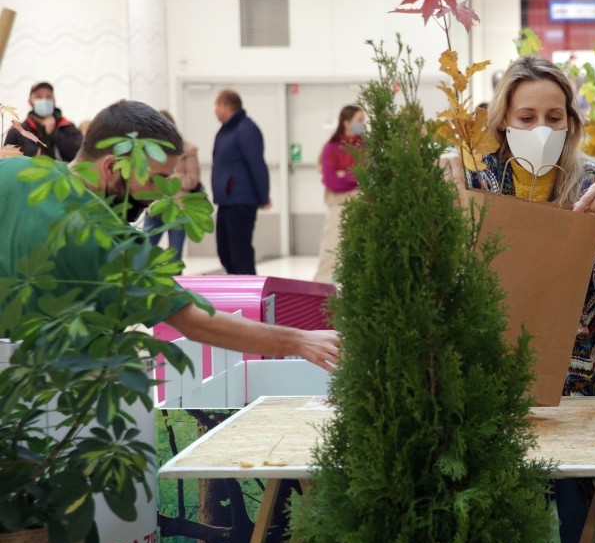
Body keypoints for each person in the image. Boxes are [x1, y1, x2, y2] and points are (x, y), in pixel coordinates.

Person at [444, 55, 595, 543]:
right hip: (498, 395)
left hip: (590, 389)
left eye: (554, 118)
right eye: (526, 117)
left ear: (570, 123)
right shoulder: (473, 183)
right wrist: (442, 214)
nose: (541, 128)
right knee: (505, 537)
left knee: (593, 539)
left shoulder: (593, 182)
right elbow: (446, 284)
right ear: (503, 121)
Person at [0, 99, 339, 372]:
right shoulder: (109, 240)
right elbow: (194, 321)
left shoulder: (13, 171)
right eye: (156, 179)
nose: (161, 195)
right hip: (56, 394)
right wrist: (300, 341)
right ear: (112, 167)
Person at [211, 89, 269, 275]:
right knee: (225, 251)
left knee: (240, 253)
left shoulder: (246, 129)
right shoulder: (226, 130)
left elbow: (257, 164)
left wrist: (263, 196)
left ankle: (250, 292)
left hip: (241, 200)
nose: (215, 111)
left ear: (225, 106)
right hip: (226, 201)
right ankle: (236, 288)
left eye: (216, 106)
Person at [313, 104, 366, 284]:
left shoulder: (364, 146)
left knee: (363, 250)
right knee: (332, 249)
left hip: (363, 204)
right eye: (359, 120)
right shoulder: (332, 147)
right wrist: (355, 175)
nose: (363, 124)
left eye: (364, 120)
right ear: (346, 122)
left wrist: (345, 174)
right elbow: (332, 181)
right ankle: (321, 290)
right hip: (339, 205)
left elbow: (369, 174)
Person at [143, 110, 201, 266]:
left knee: (175, 256)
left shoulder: (189, 149)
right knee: (144, 250)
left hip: (178, 208)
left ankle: (175, 287)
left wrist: (170, 178)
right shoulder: (148, 150)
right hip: (155, 207)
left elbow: (192, 181)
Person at [3, 81, 82, 161]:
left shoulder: (67, 127)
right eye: (39, 97)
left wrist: (54, 133)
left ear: (54, 100)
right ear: (30, 101)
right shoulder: (17, 131)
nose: (44, 100)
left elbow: (82, 155)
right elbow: (6, 164)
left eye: (48, 97)